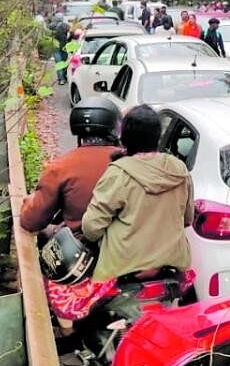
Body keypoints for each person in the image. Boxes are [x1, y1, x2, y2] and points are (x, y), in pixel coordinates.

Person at [81, 105, 194, 282]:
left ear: (124, 139)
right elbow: (187, 219)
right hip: (172, 267)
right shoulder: (179, 169)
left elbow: (91, 228)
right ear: (158, 136)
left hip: (123, 271)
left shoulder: (118, 173)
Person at [21, 98, 120, 237]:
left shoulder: (59, 167)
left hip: (81, 249)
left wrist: (29, 201)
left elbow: (31, 220)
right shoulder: (129, 163)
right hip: (127, 245)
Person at [50, 15, 70, 85]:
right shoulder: (65, 26)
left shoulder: (51, 26)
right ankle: (63, 78)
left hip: (56, 47)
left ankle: (61, 79)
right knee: (63, 63)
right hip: (63, 47)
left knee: (59, 63)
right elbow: (70, 34)